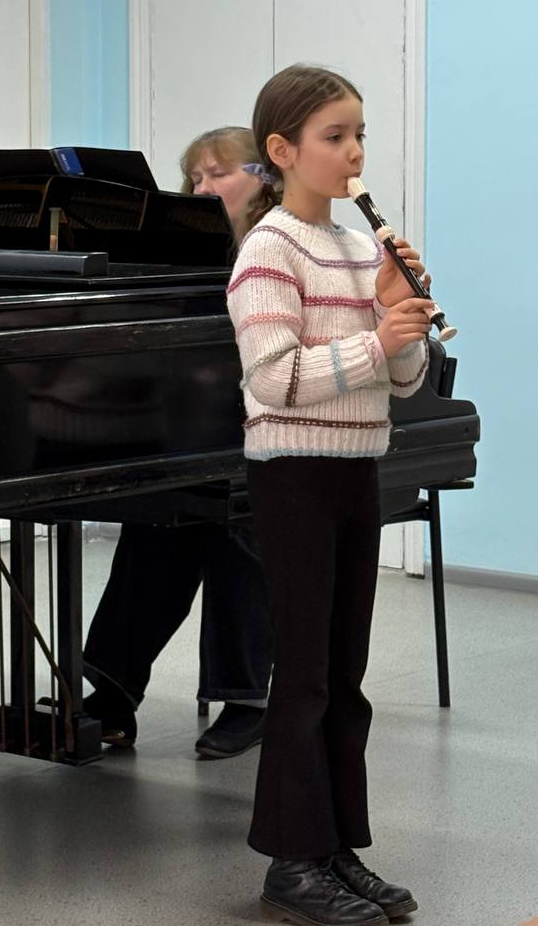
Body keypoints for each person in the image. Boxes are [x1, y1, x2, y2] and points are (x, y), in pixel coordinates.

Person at [226, 64, 435, 925]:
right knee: (305, 676)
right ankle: (290, 861)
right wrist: (374, 340)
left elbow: (404, 380)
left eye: (360, 136)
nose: (354, 153)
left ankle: (335, 846)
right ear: (283, 151)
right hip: (294, 477)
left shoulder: (356, 248)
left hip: (354, 470)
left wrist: (401, 323)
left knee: (345, 674)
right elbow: (274, 380)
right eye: (335, 137)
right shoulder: (268, 250)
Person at [82, 126, 276, 759]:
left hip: (280, 436)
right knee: (159, 515)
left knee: (235, 522)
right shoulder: (189, 254)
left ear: (265, 176)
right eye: (194, 177)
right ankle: (113, 691)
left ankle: (248, 699)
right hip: (210, 430)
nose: (202, 188)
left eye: (219, 173)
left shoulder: (282, 244)